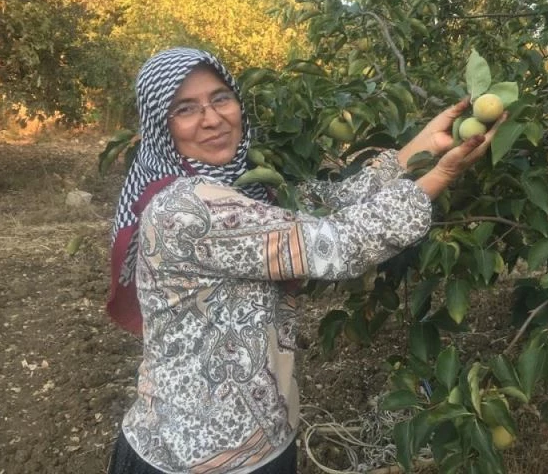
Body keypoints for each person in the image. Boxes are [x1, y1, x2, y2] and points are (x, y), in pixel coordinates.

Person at [106, 47, 504, 474]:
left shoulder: (235, 189)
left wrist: (422, 146)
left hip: (257, 437)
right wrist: (442, 174)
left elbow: (324, 205)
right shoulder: (187, 210)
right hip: (199, 456)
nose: (211, 118)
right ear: (160, 126)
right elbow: (338, 241)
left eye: (220, 97)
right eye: (185, 108)